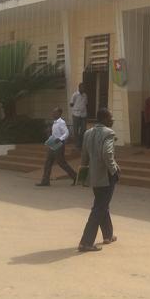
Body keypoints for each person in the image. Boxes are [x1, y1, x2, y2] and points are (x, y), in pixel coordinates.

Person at [78, 108, 120, 252]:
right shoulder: (109, 133)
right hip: (106, 176)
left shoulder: (88, 133)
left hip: (93, 175)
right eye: (111, 117)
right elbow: (107, 153)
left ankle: (108, 235)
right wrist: (114, 169)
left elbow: (84, 155)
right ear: (105, 119)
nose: (112, 120)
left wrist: (83, 175)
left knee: (102, 203)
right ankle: (86, 242)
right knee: (99, 208)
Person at [36, 107, 77, 186]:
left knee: (61, 162)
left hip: (59, 144)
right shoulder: (54, 122)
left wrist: (60, 139)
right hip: (52, 143)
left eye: (55, 112)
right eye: (52, 112)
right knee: (48, 162)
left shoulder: (61, 122)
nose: (52, 114)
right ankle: (45, 181)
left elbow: (66, 133)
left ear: (59, 113)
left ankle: (75, 176)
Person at [69, 82, 88, 149]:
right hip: (76, 114)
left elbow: (86, 103)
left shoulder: (85, 95)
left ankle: (81, 143)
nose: (83, 88)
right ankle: (77, 145)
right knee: (76, 130)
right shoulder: (75, 95)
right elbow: (71, 104)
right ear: (79, 87)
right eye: (82, 87)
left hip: (83, 115)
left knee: (83, 130)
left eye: (84, 87)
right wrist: (76, 107)